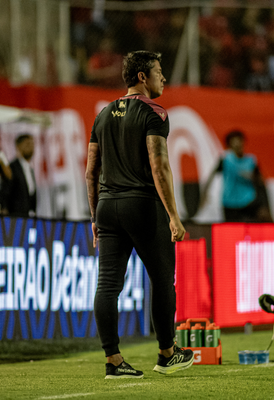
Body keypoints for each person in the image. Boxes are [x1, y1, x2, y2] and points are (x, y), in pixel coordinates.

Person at [85, 50, 194, 379]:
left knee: (107, 286)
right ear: (143, 77)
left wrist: (94, 219)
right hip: (142, 206)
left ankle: (113, 360)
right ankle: (167, 353)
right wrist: (174, 215)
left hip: (107, 207)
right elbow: (159, 164)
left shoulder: (102, 115)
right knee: (162, 281)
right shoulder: (155, 113)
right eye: (159, 71)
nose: (164, 78)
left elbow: (91, 172)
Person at [201, 130, 270, 222]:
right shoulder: (225, 160)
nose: (238, 145)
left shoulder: (251, 160)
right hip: (230, 203)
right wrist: (205, 194)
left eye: (239, 142)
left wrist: (252, 177)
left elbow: (261, 180)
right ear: (230, 146)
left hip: (248, 201)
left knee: (259, 221)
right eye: (234, 143)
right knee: (233, 232)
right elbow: (212, 176)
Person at [0, 134, 37, 217]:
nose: (31, 147)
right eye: (27, 144)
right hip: (15, 218)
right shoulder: (12, 168)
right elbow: (4, 192)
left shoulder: (30, 169)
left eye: (32, 144)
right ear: (18, 147)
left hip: (28, 217)